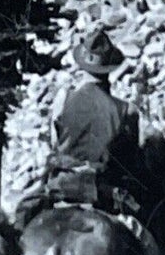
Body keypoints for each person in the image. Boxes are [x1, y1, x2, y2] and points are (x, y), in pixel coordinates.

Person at [16, 27, 149, 228]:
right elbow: (130, 161)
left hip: (61, 186)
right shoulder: (126, 111)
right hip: (100, 191)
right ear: (110, 69)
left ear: (83, 66)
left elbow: (54, 143)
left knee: (21, 219)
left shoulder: (63, 99)